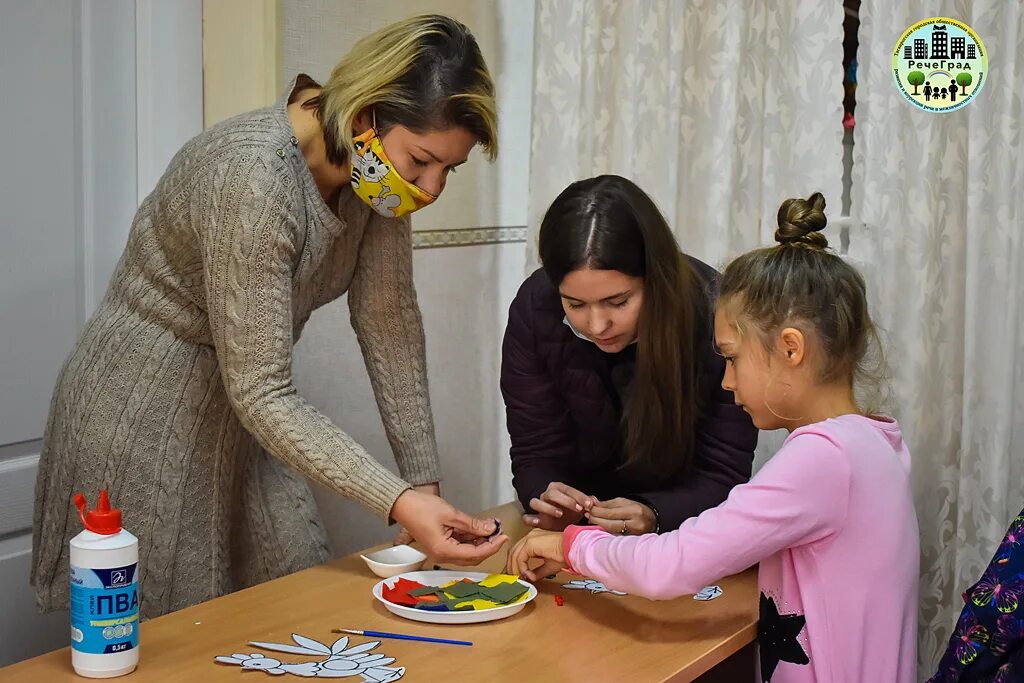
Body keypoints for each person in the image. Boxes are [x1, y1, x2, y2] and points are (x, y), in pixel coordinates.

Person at [32, 14, 507, 620]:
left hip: (244, 411)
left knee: (296, 588)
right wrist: (398, 500)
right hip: (140, 409)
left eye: (449, 169)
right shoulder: (253, 175)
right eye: (422, 160)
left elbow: (390, 326)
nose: (431, 187)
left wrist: (423, 486)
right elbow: (261, 389)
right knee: (172, 635)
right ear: (366, 115)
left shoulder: (378, 183)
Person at [507, 193, 920, 682]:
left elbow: (671, 566)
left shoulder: (821, 461)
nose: (726, 381)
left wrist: (569, 546)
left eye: (732, 359)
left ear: (790, 349)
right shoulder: (878, 441)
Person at [501, 175, 757, 536]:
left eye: (618, 302)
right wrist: (545, 494)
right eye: (575, 304)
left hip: (681, 535)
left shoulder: (713, 312)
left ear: (656, 277)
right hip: (576, 537)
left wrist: (656, 513)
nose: (597, 324)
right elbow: (533, 451)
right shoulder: (536, 308)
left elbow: (724, 473)